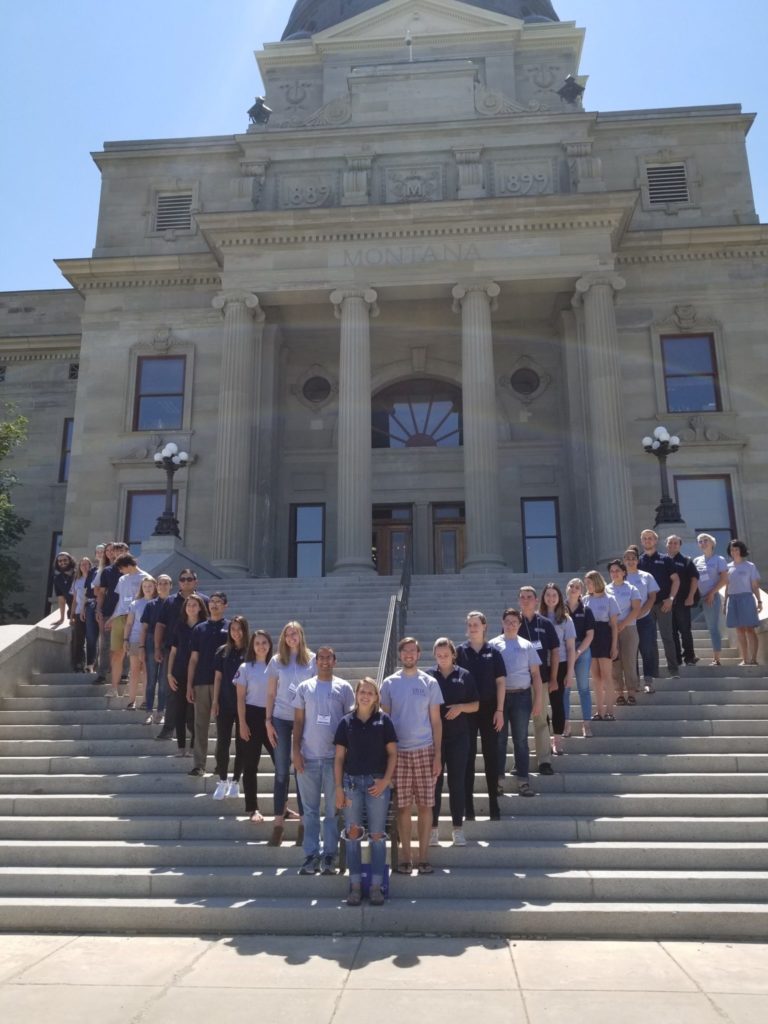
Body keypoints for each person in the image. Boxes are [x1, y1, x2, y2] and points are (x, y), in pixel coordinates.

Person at [380, 637, 442, 875]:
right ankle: (405, 857)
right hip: (399, 753)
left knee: (426, 805)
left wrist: (437, 755)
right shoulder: (389, 683)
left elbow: (436, 722)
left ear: (418, 654)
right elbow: (384, 722)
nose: (408, 654)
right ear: (399, 655)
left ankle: (423, 857)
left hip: (425, 750)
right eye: (404, 651)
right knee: (403, 807)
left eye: (412, 651)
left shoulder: (429, 682)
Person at [334, 677, 397, 906]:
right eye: (362, 692)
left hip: (376, 784)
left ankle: (376, 887)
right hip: (351, 784)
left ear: (376, 697)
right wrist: (338, 788)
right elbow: (339, 758)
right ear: (356, 694)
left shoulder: (384, 721)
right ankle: (354, 886)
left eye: (371, 692)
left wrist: (386, 781)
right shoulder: (345, 722)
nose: (366, 696)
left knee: (378, 836)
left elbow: (392, 754)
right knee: (352, 835)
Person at [292, 646, 355, 876]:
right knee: (309, 811)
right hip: (308, 757)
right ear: (315, 661)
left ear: (335, 661)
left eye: (329, 658)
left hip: (333, 760)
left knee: (331, 811)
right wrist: (295, 751)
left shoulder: (344, 688)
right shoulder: (304, 688)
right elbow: (298, 722)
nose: (325, 661)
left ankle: (330, 855)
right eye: (321, 658)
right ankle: (311, 856)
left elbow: (350, 723)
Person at [266, 622, 315, 847]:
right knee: (281, 772)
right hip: (281, 718)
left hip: (303, 719)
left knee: (301, 770)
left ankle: (304, 824)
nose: (291, 637)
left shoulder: (312, 660)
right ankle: (278, 824)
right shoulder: (277, 661)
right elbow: (271, 693)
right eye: (287, 634)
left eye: (294, 633)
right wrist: (267, 720)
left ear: (301, 635)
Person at [428, 638, 479, 847]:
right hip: (433, 738)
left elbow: (476, 704)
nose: (442, 659)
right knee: (435, 785)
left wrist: (460, 707)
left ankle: (458, 829)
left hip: (459, 737)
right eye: (439, 656)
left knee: (457, 783)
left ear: (453, 655)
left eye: (446, 655)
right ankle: (432, 830)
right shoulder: (429, 676)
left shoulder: (464, 675)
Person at [455, 611, 505, 820]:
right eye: (470, 625)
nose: (473, 628)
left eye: (476, 624)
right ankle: (469, 807)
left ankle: (494, 804)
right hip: (466, 712)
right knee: (468, 759)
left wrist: (500, 710)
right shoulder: (459, 651)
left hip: (489, 710)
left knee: (491, 757)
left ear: (485, 626)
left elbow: (501, 682)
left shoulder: (494, 651)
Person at [490, 608, 543, 797]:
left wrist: (538, 700)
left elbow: (536, 674)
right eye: (508, 621)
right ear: (502, 623)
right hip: (500, 699)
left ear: (520, 625)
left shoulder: (527, 645)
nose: (511, 625)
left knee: (521, 740)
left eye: (515, 622)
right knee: (499, 740)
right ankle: (496, 781)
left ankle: (523, 781)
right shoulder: (493, 645)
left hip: (522, 697)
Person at [154, 569, 208, 740]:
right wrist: (157, 648)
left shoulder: (204, 601)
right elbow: (160, 626)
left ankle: (193, 730)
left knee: (196, 692)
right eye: (182, 579)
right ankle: (169, 728)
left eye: (189, 579)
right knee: (172, 691)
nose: (185, 582)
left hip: (199, 654)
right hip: (174, 652)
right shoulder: (169, 601)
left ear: (195, 581)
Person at [511, 586, 559, 776]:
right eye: (522, 597)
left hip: (542, 680)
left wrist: (554, 677)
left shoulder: (546, 623)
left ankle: (544, 761)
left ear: (536, 600)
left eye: (529, 597)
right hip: (518, 683)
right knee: (519, 724)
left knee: (541, 721)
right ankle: (520, 762)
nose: (525, 600)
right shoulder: (513, 622)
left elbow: (555, 652)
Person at [186, 592, 230, 777]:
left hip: (225, 684)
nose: (214, 605)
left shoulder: (230, 627)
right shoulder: (199, 628)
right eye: (211, 602)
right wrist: (189, 684)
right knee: (200, 725)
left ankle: (221, 764)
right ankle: (199, 764)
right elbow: (193, 658)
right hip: (202, 681)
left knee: (223, 727)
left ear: (225, 605)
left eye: (218, 602)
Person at [235, 629, 276, 824]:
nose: (261, 646)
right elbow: (240, 698)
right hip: (251, 717)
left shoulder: (276, 666)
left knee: (281, 765)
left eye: (264, 642)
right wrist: (242, 724)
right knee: (250, 766)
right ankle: (252, 808)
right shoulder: (245, 667)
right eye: (257, 642)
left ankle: (281, 808)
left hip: (272, 718)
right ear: (252, 645)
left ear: (270, 645)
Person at [212, 615, 250, 801]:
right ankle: (222, 780)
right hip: (225, 702)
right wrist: (214, 702)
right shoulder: (222, 651)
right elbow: (218, 678)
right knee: (222, 743)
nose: (235, 632)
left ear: (245, 630)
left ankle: (236, 781)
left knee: (242, 743)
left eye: (239, 629)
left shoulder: (251, 652)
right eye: (232, 629)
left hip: (245, 704)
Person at [167, 594, 207, 756]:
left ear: (200, 608)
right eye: (188, 605)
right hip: (179, 672)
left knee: (193, 713)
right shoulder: (179, 625)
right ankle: (181, 747)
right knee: (179, 711)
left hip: (199, 674)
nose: (191, 608)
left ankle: (192, 747)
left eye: (194, 605)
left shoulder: (204, 626)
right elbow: (173, 651)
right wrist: (169, 673)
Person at [639, 529, 681, 678]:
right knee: (650, 640)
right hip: (646, 606)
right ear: (642, 541)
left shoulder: (666, 559)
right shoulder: (639, 561)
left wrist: (671, 599)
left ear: (655, 541)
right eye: (645, 538)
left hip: (664, 604)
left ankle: (673, 670)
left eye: (650, 538)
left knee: (667, 637)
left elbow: (676, 580)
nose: (648, 541)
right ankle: (654, 673)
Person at [107, 553, 150, 699]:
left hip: (137, 619)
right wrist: (112, 617)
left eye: (121, 568)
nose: (120, 571)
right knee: (116, 654)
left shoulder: (145, 577)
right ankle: (113, 688)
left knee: (136, 656)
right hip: (120, 617)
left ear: (128, 565)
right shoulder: (122, 579)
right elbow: (120, 600)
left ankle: (131, 688)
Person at [540, 584, 576, 756]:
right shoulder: (538, 617)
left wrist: (569, 673)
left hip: (560, 664)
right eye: (548, 595)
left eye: (554, 595)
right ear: (543, 597)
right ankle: (543, 738)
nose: (551, 598)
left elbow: (570, 648)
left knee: (557, 703)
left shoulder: (566, 619)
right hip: (540, 665)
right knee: (540, 704)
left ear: (560, 598)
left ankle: (557, 740)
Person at [623, 546, 661, 693]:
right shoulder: (621, 577)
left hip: (644, 619)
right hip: (627, 621)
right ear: (624, 561)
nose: (630, 561)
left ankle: (648, 680)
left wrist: (642, 611)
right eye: (627, 559)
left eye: (633, 559)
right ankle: (634, 681)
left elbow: (652, 597)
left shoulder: (646, 576)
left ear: (637, 561)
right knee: (631, 652)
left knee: (647, 649)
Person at [583, 570, 620, 721]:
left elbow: (614, 625)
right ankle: (599, 711)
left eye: (589, 583)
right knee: (596, 677)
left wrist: (614, 645)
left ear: (596, 582)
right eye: (586, 583)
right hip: (590, 636)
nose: (588, 586)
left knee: (606, 676)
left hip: (605, 635)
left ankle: (610, 711)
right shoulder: (585, 600)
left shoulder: (610, 599)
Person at [606, 560, 641, 705]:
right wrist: (614, 626)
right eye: (612, 571)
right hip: (610, 629)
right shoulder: (606, 589)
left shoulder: (632, 588)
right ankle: (619, 692)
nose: (615, 573)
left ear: (624, 572)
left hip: (629, 628)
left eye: (617, 570)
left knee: (629, 660)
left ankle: (631, 692)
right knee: (615, 661)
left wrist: (623, 624)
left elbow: (636, 609)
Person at [140, 573, 172, 724]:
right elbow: (144, 628)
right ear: (157, 587)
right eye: (160, 583)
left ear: (170, 586)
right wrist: (141, 647)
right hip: (151, 642)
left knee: (164, 680)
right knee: (151, 679)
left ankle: (161, 711)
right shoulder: (151, 605)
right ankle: (148, 711)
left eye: (166, 583)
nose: (163, 586)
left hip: (168, 643)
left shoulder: (174, 604)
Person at [564, 579, 595, 736]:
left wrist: (577, 652)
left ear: (581, 591)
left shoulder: (586, 610)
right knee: (565, 689)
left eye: (577, 587)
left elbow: (590, 635)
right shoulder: (560, 609)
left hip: (582, 650)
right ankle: (565, 724)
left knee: (583, 688)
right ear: (567, 589)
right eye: (571, 586)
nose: (574, 589)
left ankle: (586, 724)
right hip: (564, 651)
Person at [725, 540, 762, 665]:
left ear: (741, 550)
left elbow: (755, 586)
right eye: (731, 549)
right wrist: (725, 604)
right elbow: (726, 587)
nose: (734, 552)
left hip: (746, 599)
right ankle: (745, 659)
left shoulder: (750, 566)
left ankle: (754, 659)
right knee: (739, 630)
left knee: (750, 629)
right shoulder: (727, 567)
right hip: (732, 599)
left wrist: (759, 601)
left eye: (736, 549)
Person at [694, 534, 729, 666]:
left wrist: (712, 593)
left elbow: (725, 579)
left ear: (712, 543)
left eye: (706, 541)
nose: (703, 543)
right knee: (710, 627)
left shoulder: (719, 559)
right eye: (700, 541)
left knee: (713, 627)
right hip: (700, 597)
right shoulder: (697, 560)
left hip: (712, 597)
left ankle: (717, 658)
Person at [123, 576, 157, 709]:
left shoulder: (157, 602)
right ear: (141, 588)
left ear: (154, 587)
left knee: (148, 671)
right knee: (135, 670)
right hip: (135, 639)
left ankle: (145, 700)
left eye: (150, 586)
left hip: (152, 640)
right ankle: (132, 701)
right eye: (145, 586)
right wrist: (125, 639)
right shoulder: (135, 604)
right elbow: (129, 623)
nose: (147, 589)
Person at [666, 534, 701, 666]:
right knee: (672, 631)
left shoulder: (686, 560)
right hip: (667, 602)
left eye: (675, 543)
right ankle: (676, 659)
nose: (672, 545)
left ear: (680, 545)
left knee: (685, 630)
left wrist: (691, 596)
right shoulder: (663, 560)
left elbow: (694, 579)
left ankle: (690, 657)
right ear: (666, 545)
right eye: (670, 543)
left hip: (682, 601)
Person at [52, 551, 76, 627]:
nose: (62, 562)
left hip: (83, 611)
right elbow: (61, 599)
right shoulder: (57, 579)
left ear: (70, 560)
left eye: (65, 560)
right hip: (72, 613)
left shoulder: (79, 573)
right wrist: (62, 618)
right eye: (60, 561)